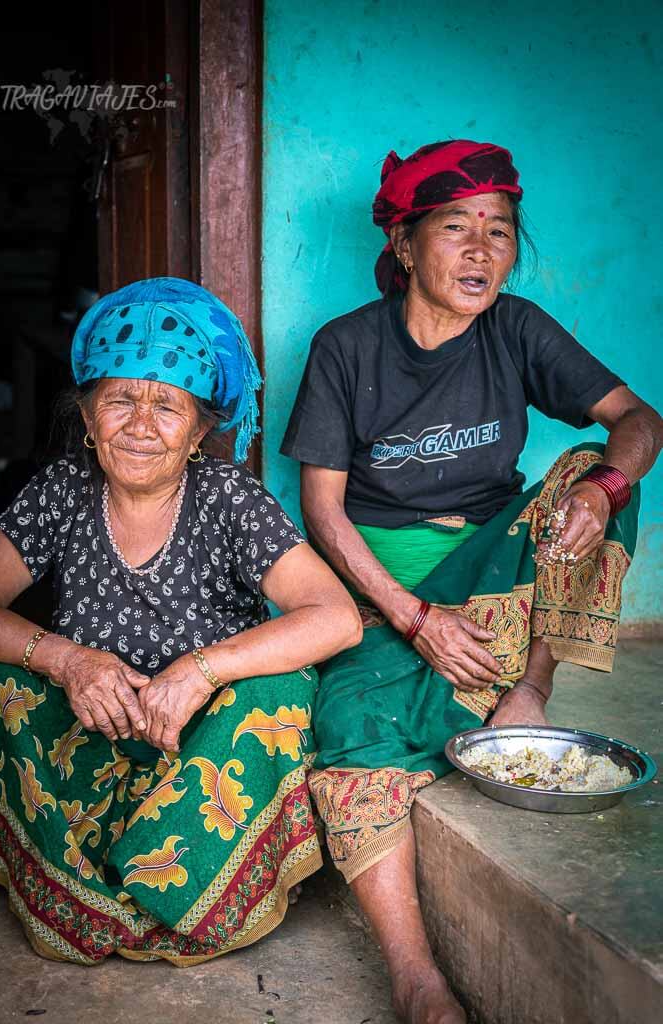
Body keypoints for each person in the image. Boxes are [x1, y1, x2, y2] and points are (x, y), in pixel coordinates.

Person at [281, 140, 662, 1023]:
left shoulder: (518, 327)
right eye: (455, 228)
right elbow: (325, 515)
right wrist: (415, 619)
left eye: (499, 231)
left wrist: (605, 491)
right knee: (350, 728)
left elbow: (639, 419)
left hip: (496, 566)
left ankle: (523, 688)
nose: (482, 251)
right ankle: (418, 982)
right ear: (404, 246)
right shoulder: (345, 346)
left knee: (588, 473)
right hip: (384, 591)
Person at [0, 276, 362, 965]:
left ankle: (182, 891)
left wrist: (198, 672)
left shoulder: (227, 498)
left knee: (277, 695)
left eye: (167, 406)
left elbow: (334, 617)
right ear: (89, 419)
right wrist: (66, 660)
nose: (141, 424)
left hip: (200, 752)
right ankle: (76, 874)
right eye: (120, 399)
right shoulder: (62, 489)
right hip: (87, 734)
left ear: (199, 431)